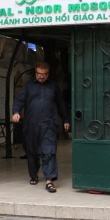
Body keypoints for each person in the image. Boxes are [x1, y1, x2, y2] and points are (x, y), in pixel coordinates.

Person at [12, 62, 70, 193]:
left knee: (48, 151)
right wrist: (16, 112)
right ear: (35, 73)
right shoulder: (28, 86)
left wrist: (66, 119)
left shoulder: (54, 87)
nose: (42, 77)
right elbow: (19, 100)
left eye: (44, 74)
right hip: (31, 124)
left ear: (48, 74)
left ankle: (49, 180)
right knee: (32, 152)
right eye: (39, 74)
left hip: (49, 124)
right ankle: (34, 175)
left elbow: (61, 104)